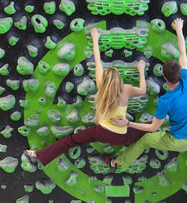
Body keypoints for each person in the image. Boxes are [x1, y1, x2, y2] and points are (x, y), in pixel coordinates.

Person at [23, 28, 148, 169]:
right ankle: (127, 159)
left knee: (70, 141)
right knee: (149, 129)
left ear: (106, 80)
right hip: (121, 137)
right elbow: (143, 90)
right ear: (119, 80)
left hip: (100, 133)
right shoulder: (126, 89)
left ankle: (37, 156)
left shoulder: (102, 85)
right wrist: (141, 70)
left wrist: (95, 38)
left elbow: (98, 62)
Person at [110, 18, 187, 190]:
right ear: (180, 73)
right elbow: (183, 53)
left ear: (164, 78)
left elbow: (153, 128)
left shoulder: (165, 100)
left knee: (145, 140)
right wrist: (179, 29)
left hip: (177, 141)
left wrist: (128, 123)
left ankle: (118, 162)